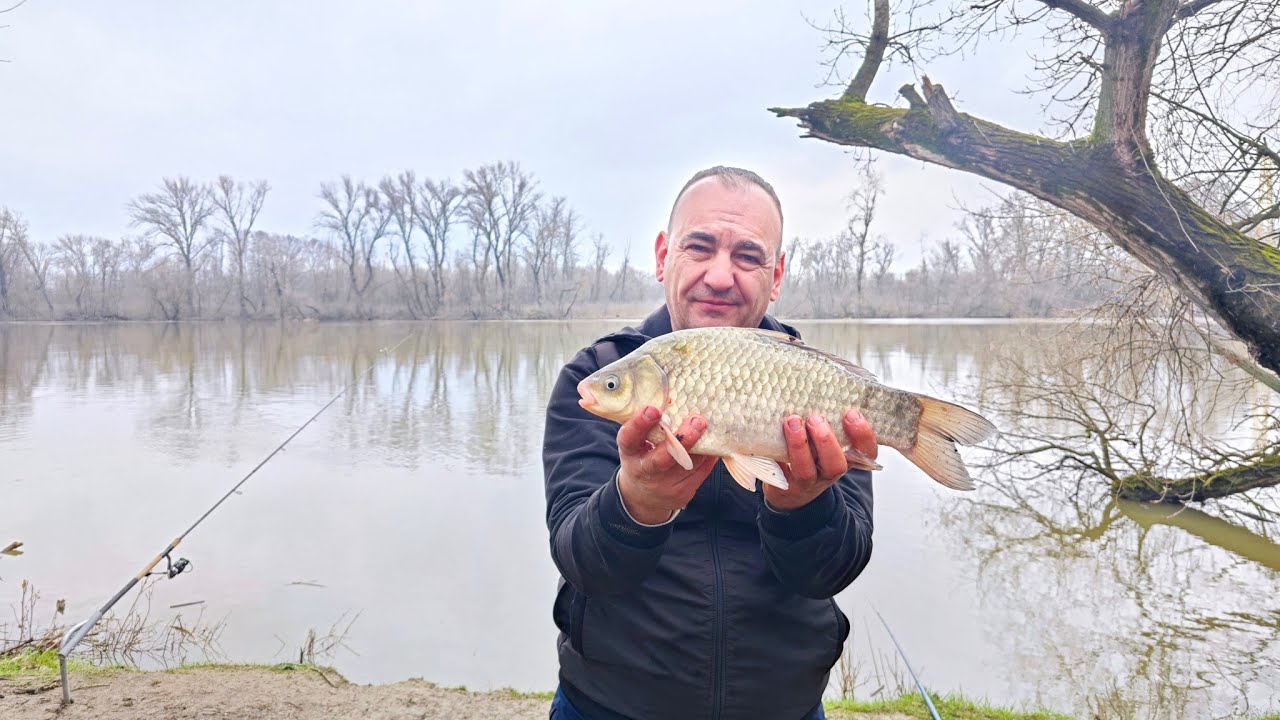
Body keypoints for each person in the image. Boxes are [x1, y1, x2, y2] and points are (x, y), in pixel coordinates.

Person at [542, 166, 877, 720]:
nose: (720, 276)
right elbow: (583, 565)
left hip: (784, 708)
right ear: (662, 256)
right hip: (610, 706)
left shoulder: (816, 386)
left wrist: (801, 504)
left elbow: (832, 572)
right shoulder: (601, 377)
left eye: (748, 256)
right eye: (699, 247)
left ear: (776, 275)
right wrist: (638, 504)